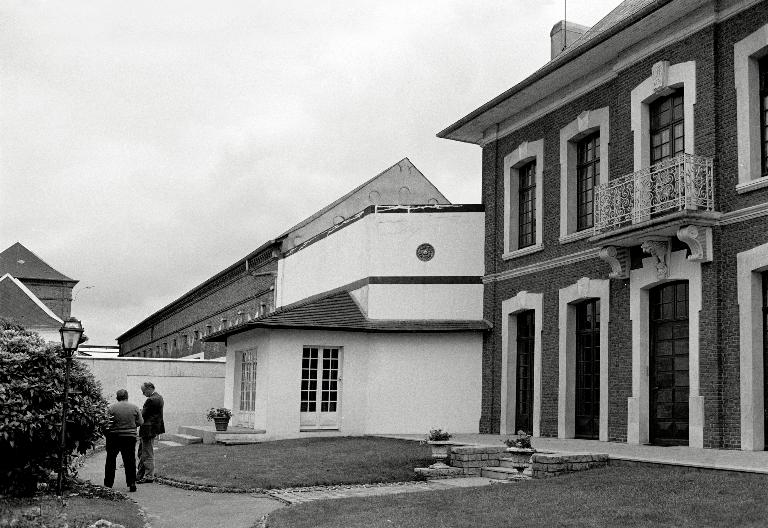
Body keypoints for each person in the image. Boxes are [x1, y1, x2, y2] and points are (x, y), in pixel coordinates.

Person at [104, 389, 143, 492]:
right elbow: (140, 422)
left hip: (114, 437)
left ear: (117, 397)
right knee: (130, 460)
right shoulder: (134, 407)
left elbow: (106, 423)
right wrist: (131, 426)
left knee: (111, 460)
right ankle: (131, 483)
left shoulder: (111, 408)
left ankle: (108, 484)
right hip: (129, 437)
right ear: (127, 396)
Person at [136, 381, 165, 483]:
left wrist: (137, 411)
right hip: (152, 429)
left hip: (148, 429)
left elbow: (142, 415)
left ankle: (149, 476)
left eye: (143, 391)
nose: (143, 393)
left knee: (147, 453)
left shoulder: (151, 400)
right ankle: (140, 474)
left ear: (149, 389)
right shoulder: (159, 397)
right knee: (142, 452)